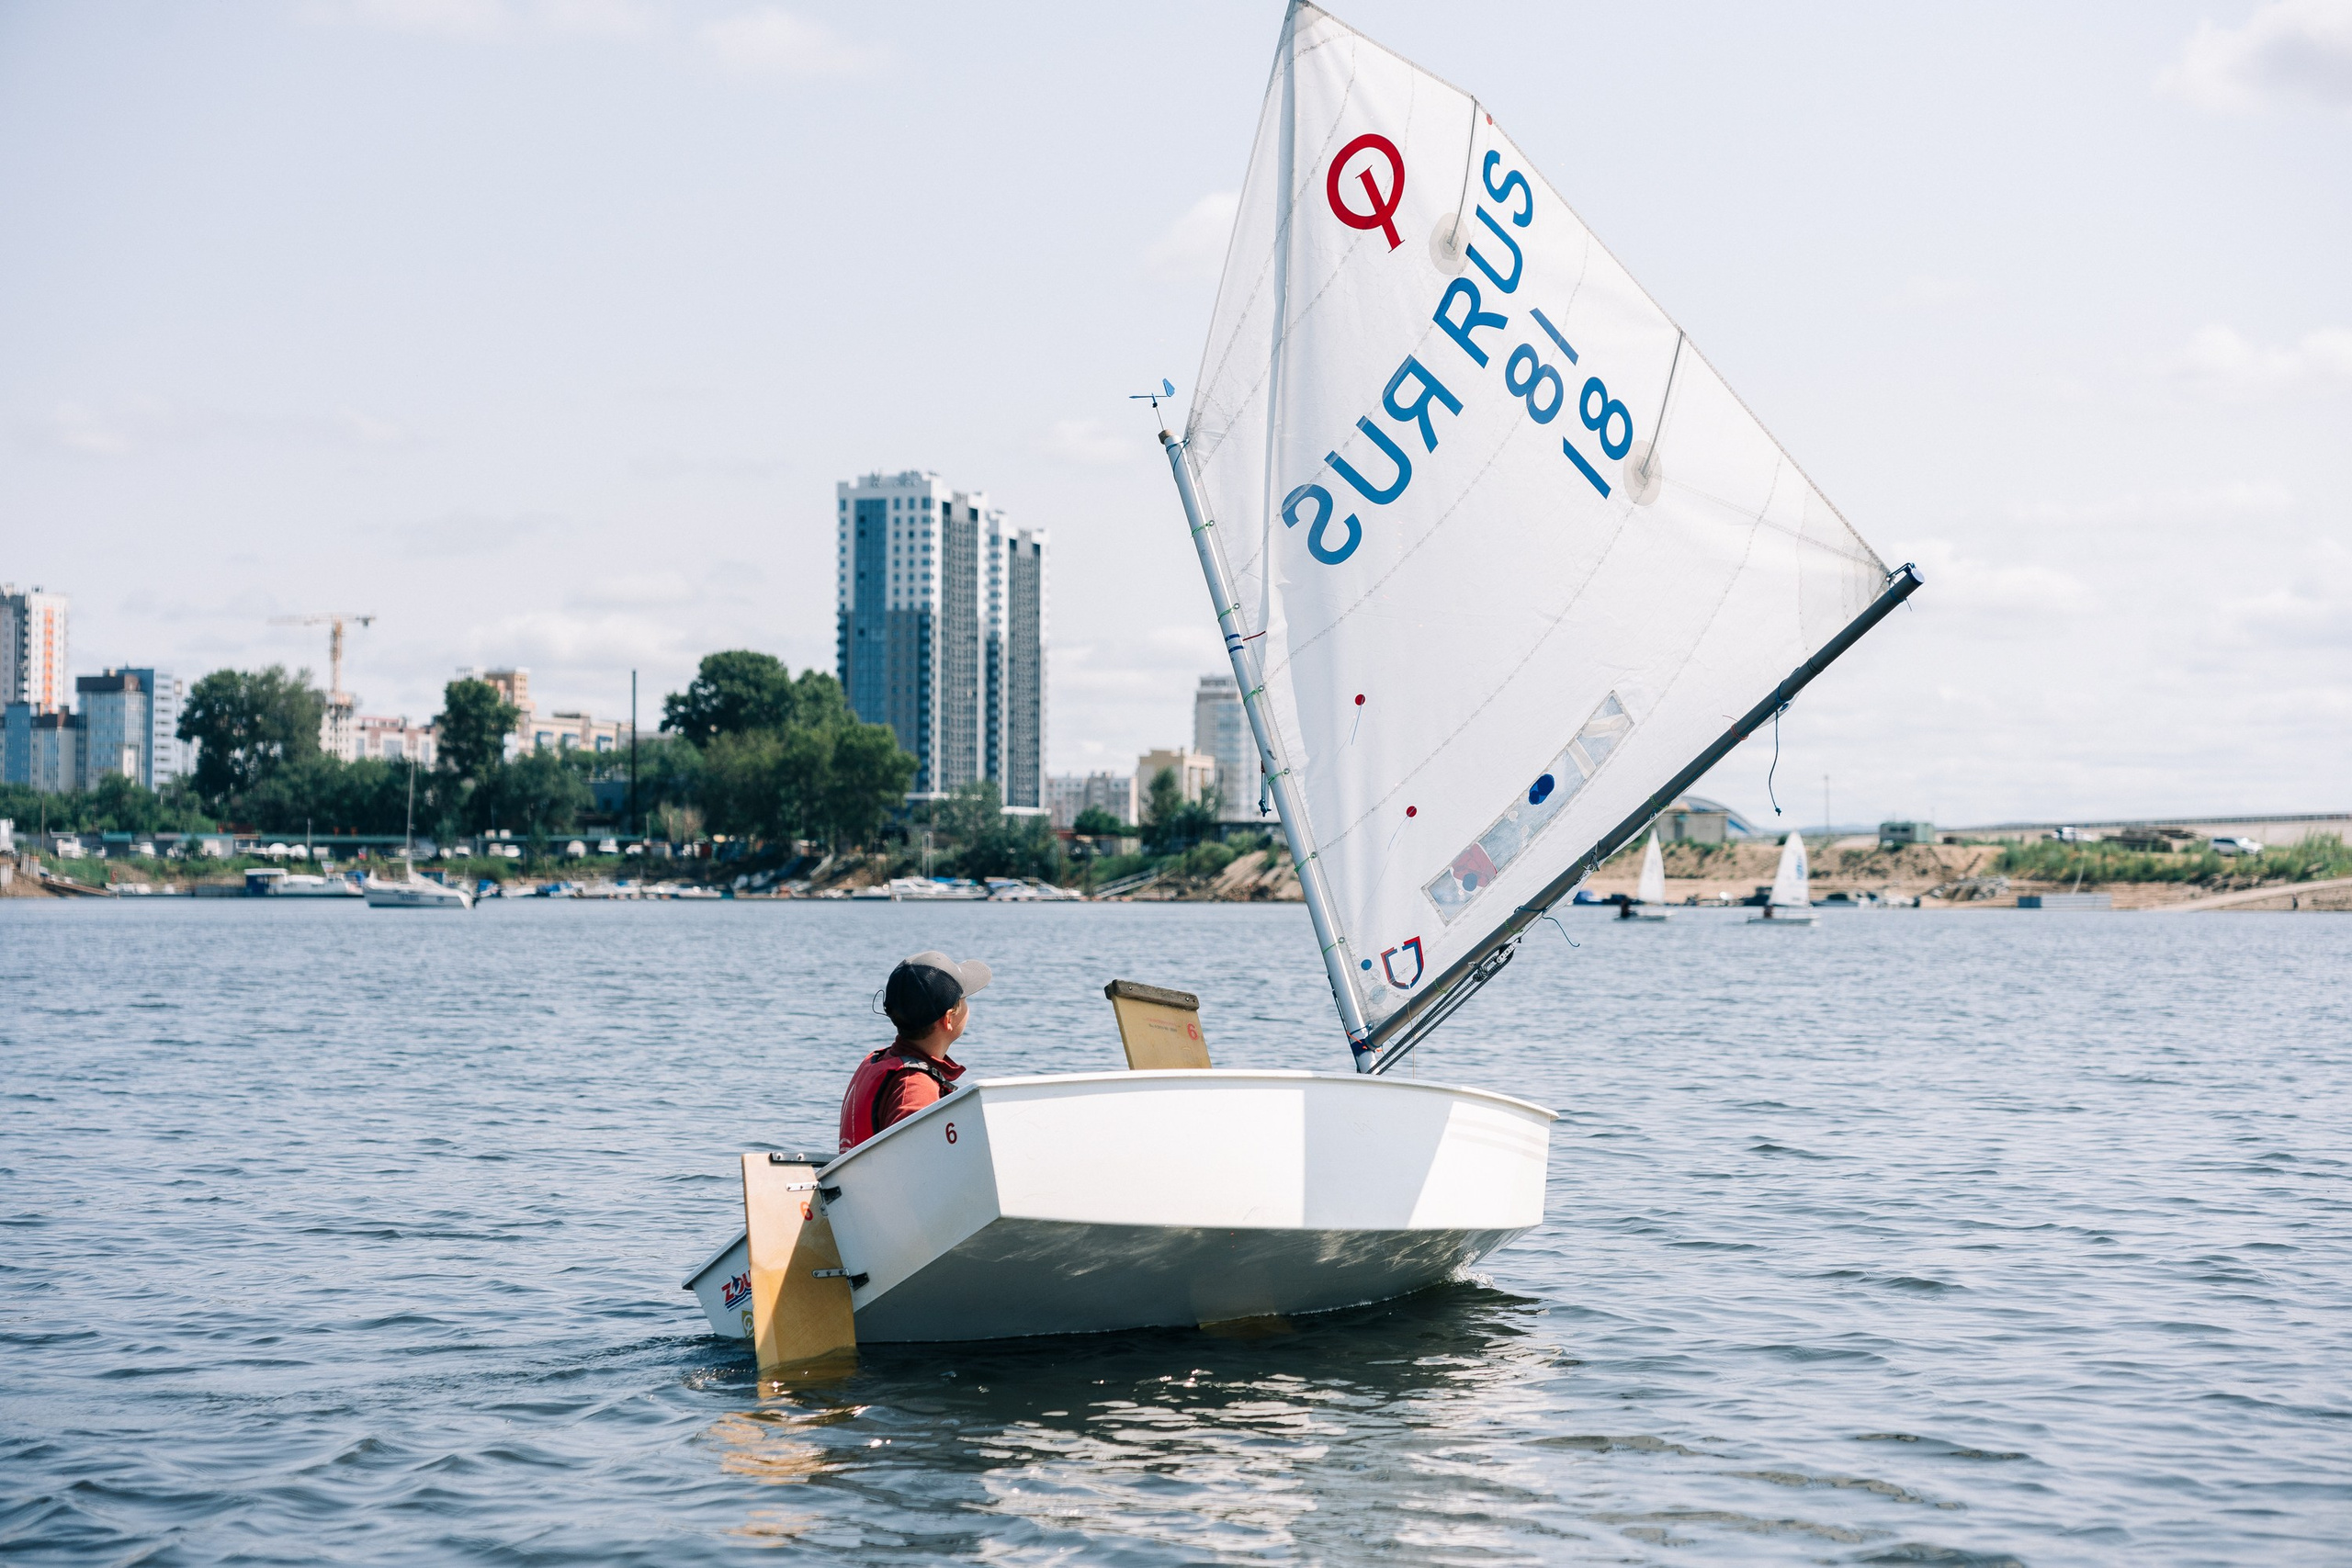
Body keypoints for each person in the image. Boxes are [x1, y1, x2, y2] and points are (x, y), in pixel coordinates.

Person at [837, 950, 992, 1152]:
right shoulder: (915, 1087)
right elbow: (916, 1168)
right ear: (948, 1019)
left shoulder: (878, 1060)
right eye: (964, 999)